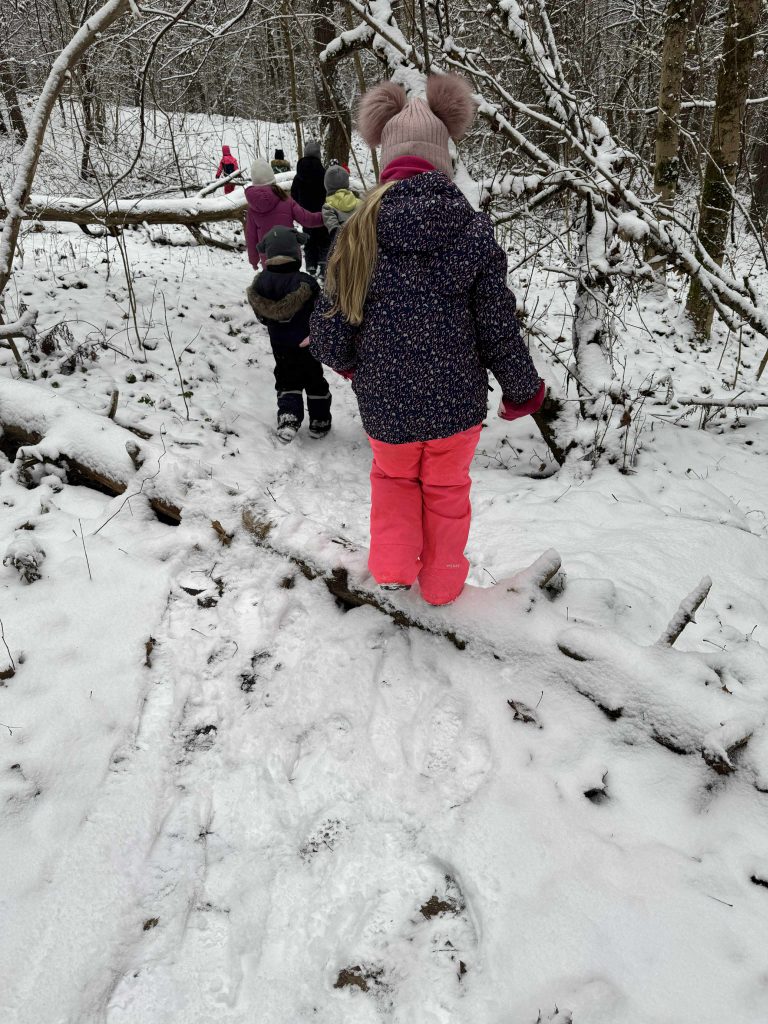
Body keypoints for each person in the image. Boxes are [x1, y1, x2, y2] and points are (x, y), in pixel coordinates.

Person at [309, 75, 545, 607]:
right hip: (455, 406)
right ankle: (442, 586)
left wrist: (352, 364)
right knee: (446, 491)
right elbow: (497, 324)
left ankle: (393, 569)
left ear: (385, 159)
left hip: (387, 405)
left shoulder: (358, 233)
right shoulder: (472, 231)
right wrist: (521, 388)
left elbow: (329, 329)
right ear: (443, 158)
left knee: (393, 483)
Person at [247, 226, 332, 443]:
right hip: (307, 342)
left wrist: (272, 321)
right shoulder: (306, 283)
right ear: (296, 254)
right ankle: (320, 419)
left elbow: (262, 315)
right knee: (314, 378)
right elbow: (321, 310)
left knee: (286, 379)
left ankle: (289, 418)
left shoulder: (260, 282)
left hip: (280, 344)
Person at [245, 158, 323, 270]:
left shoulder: (252, 209)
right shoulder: (285, 200)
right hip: (291, 255)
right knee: (293, 280)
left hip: (268, 258)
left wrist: (253, 260)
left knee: (272, 280)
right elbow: (307, 219)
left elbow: (251, 237)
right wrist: (325, 216)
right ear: (272, 178)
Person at [290, 140, 331, 276]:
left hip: (305, 214)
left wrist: (300, 207)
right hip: (322, 213)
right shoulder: (324, 173)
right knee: (324, 240)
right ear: (318, 155)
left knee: (309, 240)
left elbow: (294, 195)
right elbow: (329, 192)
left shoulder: (298, 175)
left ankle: (311, 266)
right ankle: (324, 267)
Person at [322, 164, 362, 239]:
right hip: (363, 241)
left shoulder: (328, 207)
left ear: (326, 185)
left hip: (344, 243)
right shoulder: (361, 202)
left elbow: (334, 230)